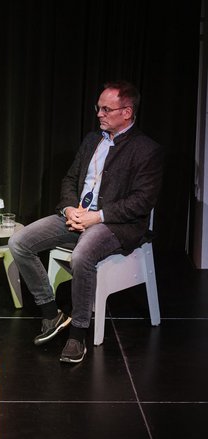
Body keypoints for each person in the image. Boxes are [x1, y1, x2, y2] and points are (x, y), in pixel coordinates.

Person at [8, 81, 163, 363]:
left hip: (115, 225)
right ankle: (50, 313)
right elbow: (70, 179)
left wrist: (98, 216)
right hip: (78, 216)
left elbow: (142, 201)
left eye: (107, 109)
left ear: (127, 112)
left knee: (81, 255)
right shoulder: (93, 140)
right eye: (98, 108)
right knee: (19, 242)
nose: (99, 114)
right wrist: (69, 209)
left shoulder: (146, 150)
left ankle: (78, 332)